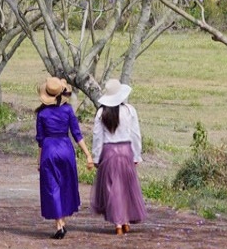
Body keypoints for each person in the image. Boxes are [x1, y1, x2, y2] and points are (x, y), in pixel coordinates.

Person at [36, 76, 94, 239]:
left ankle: (59, 224)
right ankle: (62, 221)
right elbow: (77, 134)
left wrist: (39, 160)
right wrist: (88, 154)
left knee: (51, 187)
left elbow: (40, 139)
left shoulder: (42, 113)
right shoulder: (68, 110)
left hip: (49, 150)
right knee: (65, 185)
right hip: (65, 149)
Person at [90, 78, 147, 235]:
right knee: (126, 186)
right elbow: (135, 135)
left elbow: (97, 137)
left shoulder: (101, 112)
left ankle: (118, 223)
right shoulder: (129, 110)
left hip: (109, 152)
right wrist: (137, 154)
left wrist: (96, 157)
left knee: (112, 188)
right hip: (125, 150)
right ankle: (126, 220)